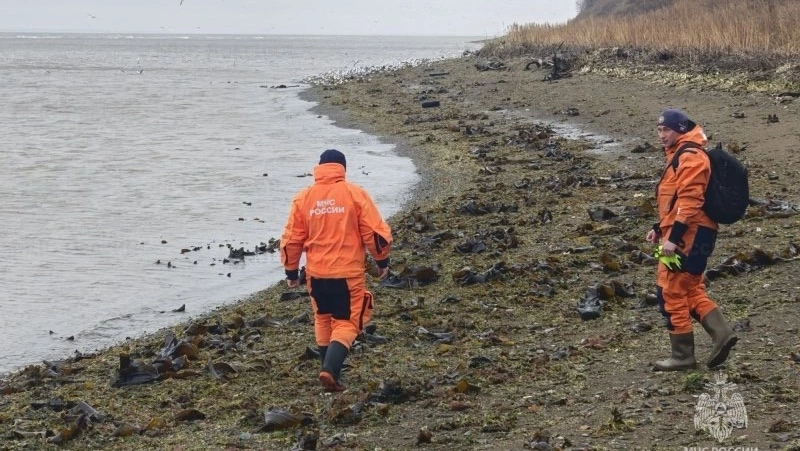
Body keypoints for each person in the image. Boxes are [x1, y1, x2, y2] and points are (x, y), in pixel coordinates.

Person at [280, 149, 392, 391]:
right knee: (348, 322)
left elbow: (292, 238)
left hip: (316, 275)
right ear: (343, 169)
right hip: (347, 273)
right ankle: (329, 370)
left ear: (319, 168)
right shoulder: (354, 193)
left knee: (323, 318)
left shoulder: (304, 198)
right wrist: (382, 262)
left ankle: (331, 374)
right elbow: (374, 233)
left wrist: (291, 272)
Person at [646, 109, 738, 371]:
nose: (662, 135)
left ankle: (683, 356)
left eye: (667, 130)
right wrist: (659, 228)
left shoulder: (691, 156)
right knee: (690, 288)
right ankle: (721, 334)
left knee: (670, 291)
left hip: (690, 235)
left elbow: (690, 201)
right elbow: (673, 201)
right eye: (660, 129)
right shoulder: (680, 154)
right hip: (685, 233)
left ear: (682, 130)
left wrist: (672, 239)